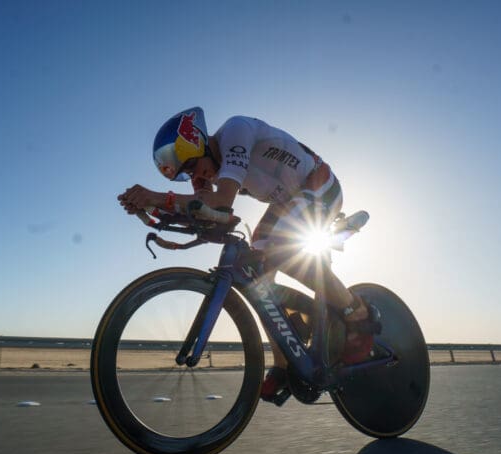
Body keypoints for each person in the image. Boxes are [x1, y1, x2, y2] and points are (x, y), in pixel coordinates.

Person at [118, 106, 382, 403]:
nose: (196, 176)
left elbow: (220, 203)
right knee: (259, 277)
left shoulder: (235, 132)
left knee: (276, 249)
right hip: (288, 202)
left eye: (192, 166)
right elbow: (208, 213)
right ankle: (284, 363)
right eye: (186, 175)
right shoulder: (204, 171)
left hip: (319, 184)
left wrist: (156, 197)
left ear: (197, 143)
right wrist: (154, 210)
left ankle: (358, 312)